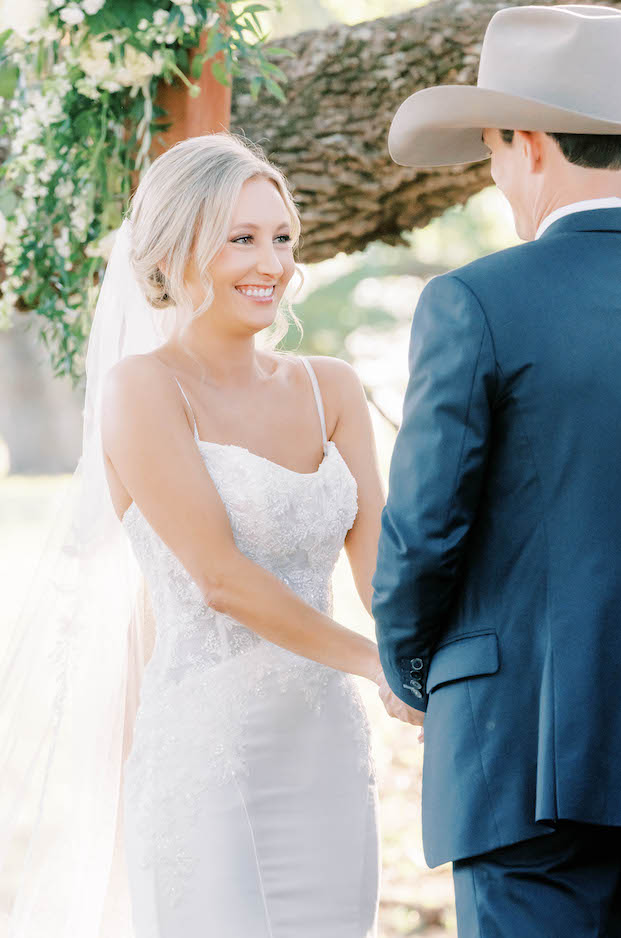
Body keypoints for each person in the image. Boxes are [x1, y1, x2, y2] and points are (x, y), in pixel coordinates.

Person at [0, 132, 422, 938]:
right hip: (210, 758)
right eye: (243, 239)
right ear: (178, 250)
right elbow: (219, 576)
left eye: (283, 238)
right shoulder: (143, 391)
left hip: (326, 751)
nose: (272, 263)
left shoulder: (331, 388)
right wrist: (375, 665)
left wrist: (441, 654)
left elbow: (384, 580)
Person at [372, 5, 621, 937]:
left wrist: (412, 669)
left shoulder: (474, 302)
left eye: (493, 150)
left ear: (525, 143)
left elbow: (424, 528)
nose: (496, 174)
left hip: (521, 754)